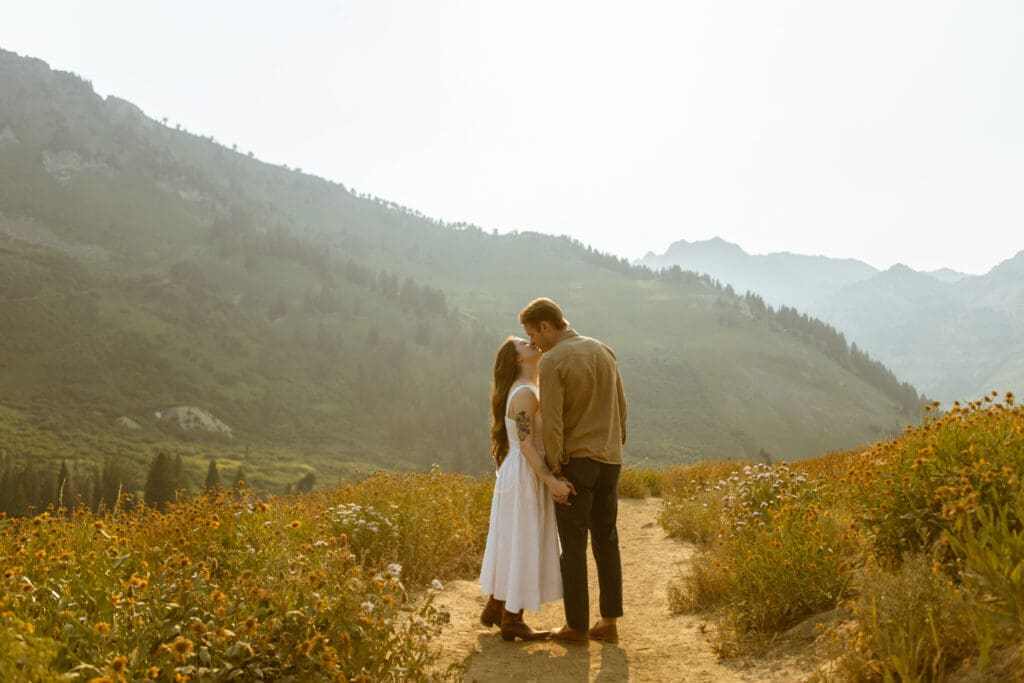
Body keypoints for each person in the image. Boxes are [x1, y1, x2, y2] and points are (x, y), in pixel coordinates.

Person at [519, 298, 627, 645]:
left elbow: (553, 422)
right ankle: (608, 622)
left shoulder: (554, 360)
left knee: (574, 544)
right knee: (607, 539)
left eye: (533, 334)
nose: (534, 343)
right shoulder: (604, 351)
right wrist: (614, 445)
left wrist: (555, 470)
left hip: (577, 461)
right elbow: (622, 407)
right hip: (610, 458)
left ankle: (576, 627)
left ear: (546, 326)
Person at [479, 337, 576, 641]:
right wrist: (551, 481)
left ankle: (497, 605)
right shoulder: (524, 393)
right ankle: (512, 618)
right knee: (523, 539)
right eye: (523, 342)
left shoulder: (527, 388)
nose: (530, 342)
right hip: (524, 473)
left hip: (520, 471)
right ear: (517, 358)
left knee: (515, 538)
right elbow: (526, 445)